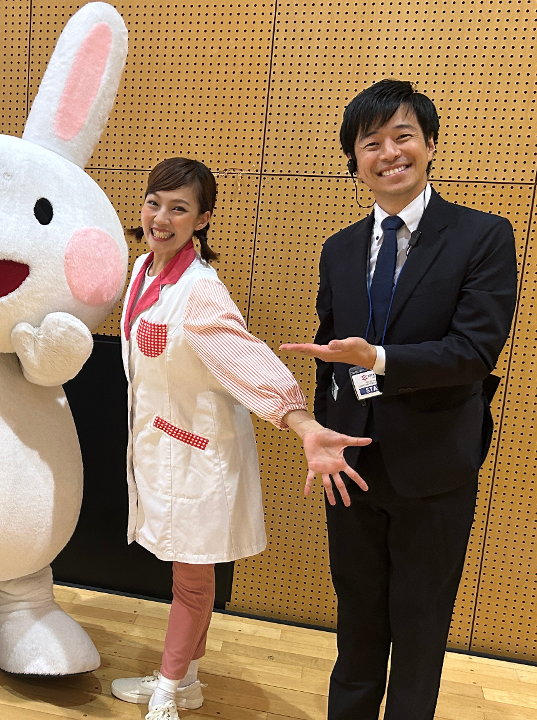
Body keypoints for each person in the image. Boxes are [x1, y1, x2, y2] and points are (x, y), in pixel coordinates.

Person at [280, 80, 517, 719]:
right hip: (350, 464)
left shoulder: (482, 236)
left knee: (419, 626)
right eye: (371, 143)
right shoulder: (339, 248)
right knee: (356, 619)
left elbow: (475, 350)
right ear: (354, 162)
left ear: (430, 144)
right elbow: (333, 356)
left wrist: (379, 360)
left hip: (435, 467)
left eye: (402, 136)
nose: (389, 153)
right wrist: (321, 436)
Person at [109, 158, 371, 720]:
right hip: (162, 448)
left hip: (195, 457)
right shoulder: (144, 271)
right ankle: (186, 681)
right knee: (186, 571)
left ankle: (167, 692)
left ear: (202, 219)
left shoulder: (200, 291)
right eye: (155, 202)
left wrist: (302, 423)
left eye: (179, 208)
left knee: (191, 577)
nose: (161, 218)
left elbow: (245, 360)